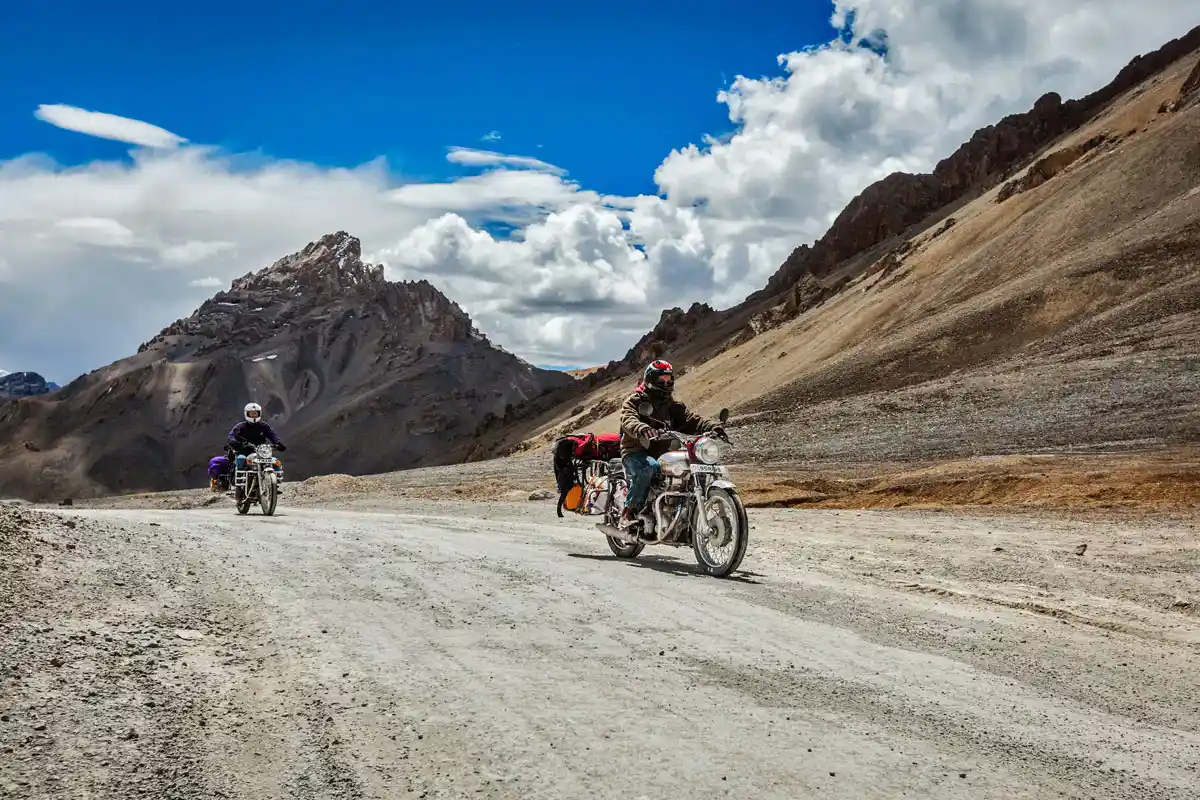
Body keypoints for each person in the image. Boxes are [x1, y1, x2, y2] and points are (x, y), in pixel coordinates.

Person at [617, 360, 723, 533]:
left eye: (669, 380)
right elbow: (628, 418)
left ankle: (688, 515)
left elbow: (691, 420)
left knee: (690, 467)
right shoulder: (635, 400)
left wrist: (711, 427)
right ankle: (629, 512)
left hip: (664, 453)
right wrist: (642, 428)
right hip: (636, 451)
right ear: (651, 380)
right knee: (649, 467)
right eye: (661, 380)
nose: (666, 384)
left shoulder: (672, 405)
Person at [227, 403, 286, 482]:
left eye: (255, 413)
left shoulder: (264, 426)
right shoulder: (240, 427)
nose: (254, 416)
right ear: (246, 414)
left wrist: (278, 443)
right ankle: (239, 483)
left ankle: (275, 482)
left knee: (275, 461)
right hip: (244, 451)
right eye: (251, 414)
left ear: (259, 413)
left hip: (261, 452)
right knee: (241, 459)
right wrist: (233, 441)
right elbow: (232, 435)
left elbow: (272, 435)